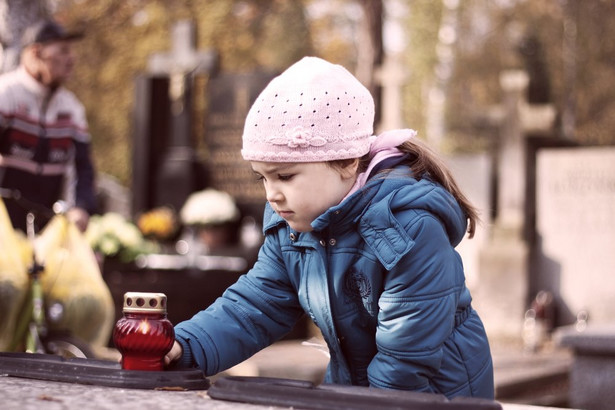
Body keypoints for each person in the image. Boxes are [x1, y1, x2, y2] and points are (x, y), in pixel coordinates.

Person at [166, 57, 494, 399]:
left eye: (285, 176)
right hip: (357, 395)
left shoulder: (408, 227)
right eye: (262, 177)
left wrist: (365, 405)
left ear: (348, 162)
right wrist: (185, 346)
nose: (271, 194)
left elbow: (406, 355)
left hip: (437, 398)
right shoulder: (292, 229)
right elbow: (254, 307)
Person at [0, 19, 96, 233]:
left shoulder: (72, 109)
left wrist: (81, 207)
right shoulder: (6, 94)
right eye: (62, 51)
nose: (71, 59)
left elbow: (84, 169)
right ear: (36, 53)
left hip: (46, 228)